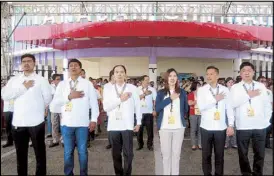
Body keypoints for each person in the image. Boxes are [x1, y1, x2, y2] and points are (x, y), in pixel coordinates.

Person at [1, 54, 52, 176]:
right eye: (24, 61)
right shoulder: (14, 80)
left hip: (36, 122)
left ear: (34, 64)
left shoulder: (41, 80)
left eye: (29, 61)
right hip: (18, 123)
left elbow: (47, 99)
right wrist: (23, 88)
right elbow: (5, 96)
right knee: (20, 155)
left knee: (40, 155)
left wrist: (38, 109)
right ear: (21, 64)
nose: (26, 63)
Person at [50, 59, 99, 175]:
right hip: (67, 124)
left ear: (80, 69)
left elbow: (94, 103)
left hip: (82, 124)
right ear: (68, 69)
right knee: (68, 152)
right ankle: (68, 173)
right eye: (70, 66)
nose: (73, 67)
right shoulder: (62, 84)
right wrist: (69, 97)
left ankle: (83, 173)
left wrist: (93, 120)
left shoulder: (87, 84)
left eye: (76, 65)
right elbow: (54, 104)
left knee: (82, 152)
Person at [230, 62, 272, 176]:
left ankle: (258, 173)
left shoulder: (261, 86)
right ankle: (246, 173)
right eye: (244, 70)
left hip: (260, 126)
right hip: (243, 126)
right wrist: (248, 95)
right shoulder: (235, 87)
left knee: (260, 153)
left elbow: (267, 105)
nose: (246, 72)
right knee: (242, 153)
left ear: (253, 72)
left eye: (249, 70)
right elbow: (232, 104)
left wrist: (266, 121)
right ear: (240, 73)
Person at [103, 65, 141, 175]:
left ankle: (127, 173)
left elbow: (137, 106)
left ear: (125, 74)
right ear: (113, 75)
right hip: (114, 126)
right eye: (117, 72)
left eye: (122, 72)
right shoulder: (108, 88)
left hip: (127, 125)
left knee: (129, 153)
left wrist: (138, 122)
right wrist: (120, 100)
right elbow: (106, 107)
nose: (119, 74)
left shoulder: (132, 88)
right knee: (116, 154)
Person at [197, 66, 234, 176]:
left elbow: (229, 108)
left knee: (219, 156)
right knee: (206, 155)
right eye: (207, 74)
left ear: (217, 75)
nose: (208, 76)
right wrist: (215, 100)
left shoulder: (225, 90)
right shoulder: (202, 90)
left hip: (220, 128)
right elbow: (201, 106)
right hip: (206, 127)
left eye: (211, 74)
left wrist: (231, 124)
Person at [155, 68, 188, 175]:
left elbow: (185, 109)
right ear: (166, 78)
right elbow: (157, 108)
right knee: (166, 155)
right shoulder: (161, 93)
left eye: (174, 76)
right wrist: (170, 99)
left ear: (177, 78)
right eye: (170, 76)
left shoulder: (182, 92)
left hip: (179, 127)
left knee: (176, 155)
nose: (172, 78)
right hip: (164, 128)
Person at [136, 75, 157, 151]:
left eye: (148, 80)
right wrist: (144, 94)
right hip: (139, 113)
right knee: (139, 131)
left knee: (150, 131)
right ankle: (140, 145)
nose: (148, 81)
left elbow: (155, 100)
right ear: (142, 81)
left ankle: (149, 145)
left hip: (149, 113)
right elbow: (135, 99)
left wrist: (154, 110)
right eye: (146, 80)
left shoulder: (152, 89)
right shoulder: (137, 89)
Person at [49, 74, 63, 148]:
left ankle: (63, 140)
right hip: (53, 109)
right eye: (57, 79)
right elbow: (48, 98)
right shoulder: (50, 88)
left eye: (60, 79)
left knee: (63, 125)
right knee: (54, 125)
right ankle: (55, 140)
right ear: (53, 81)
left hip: (62, 109)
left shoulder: (63, 87)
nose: (59, 81)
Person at [187, 81, 202, 150]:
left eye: (200, 85)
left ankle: (199, 143)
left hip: (201, 114)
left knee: (200, 129)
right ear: (195, 86)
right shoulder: (190, 94)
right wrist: (196, 101)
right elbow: (190, 103)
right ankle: (193, 144)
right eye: (198, 85)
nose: (200, 87)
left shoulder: (202, 94)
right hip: (193, 114)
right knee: (193, 129)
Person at [1, 75, 15, 148]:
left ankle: (17, 140)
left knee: (16, 126)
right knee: (8, 126)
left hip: (15, 109)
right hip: (7, 109)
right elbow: (3, 97)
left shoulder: (17, 88)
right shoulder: (4, 89)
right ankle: (9, 141)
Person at [224, 77, 238, 149]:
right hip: (226, 111)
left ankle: (234, 143)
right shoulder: (223, 91)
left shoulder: (236, 91)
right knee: (227, 127)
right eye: (229, 82)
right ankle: (226, 143)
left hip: (234, 111)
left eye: (232, 82)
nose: (231, 83)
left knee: (234, 127)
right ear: (226, 83)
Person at [104, 69, 115, 150]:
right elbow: (105, 98)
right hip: (110, 109)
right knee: (110, 128)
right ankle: (110, 142)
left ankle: (117, 142)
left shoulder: (120, 85)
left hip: (119, 110)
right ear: (111, 76)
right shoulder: (107, 86)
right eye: (114, 75)